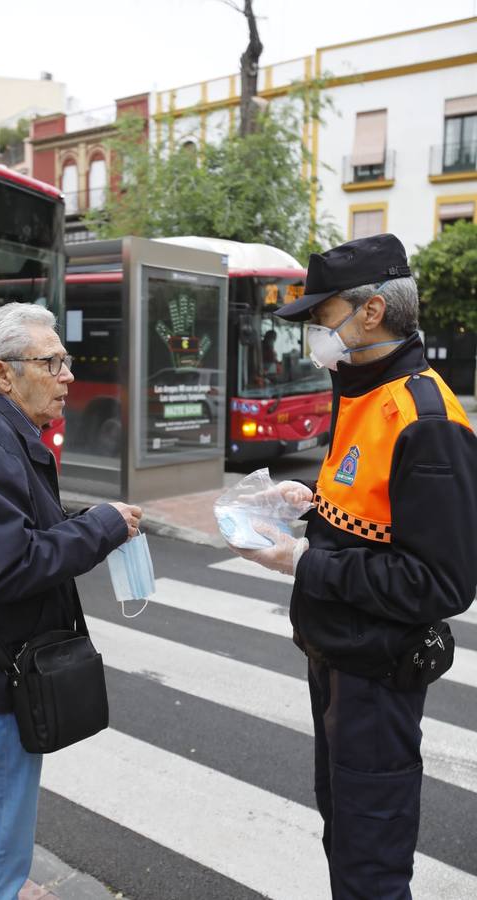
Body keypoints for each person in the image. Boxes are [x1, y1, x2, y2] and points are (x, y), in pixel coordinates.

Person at [229, 233, 477, 898]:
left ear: (371, 313)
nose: (314, 330)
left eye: (321, 313)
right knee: (343, 834)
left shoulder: (424, 417)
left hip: (377, 675)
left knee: (371, 864)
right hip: (336, 658)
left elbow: (442, 582)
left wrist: (302, 564)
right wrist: (307, 508)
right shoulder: (361, 388)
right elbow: (369, 516)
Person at [0, 302, 143, 899]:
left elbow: (16, 532)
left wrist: (92, 521)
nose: (68, 375)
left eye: (65, 360)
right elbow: (8, 567)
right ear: (3, 373)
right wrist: (102, 529)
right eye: (52, 361)